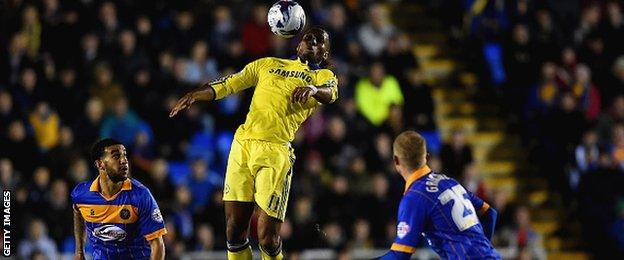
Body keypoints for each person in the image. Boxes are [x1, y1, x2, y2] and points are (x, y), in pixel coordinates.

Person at [169, 27, 338, 260]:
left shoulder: (322, 77)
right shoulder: (267, 63)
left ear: (324, 54)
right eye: (308, 37)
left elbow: (330, 94)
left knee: (267, 238)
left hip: (275, 151)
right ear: (297, 44)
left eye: (319, 41)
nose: (311, 40)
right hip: (243, 146)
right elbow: (231, 83)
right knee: (234, 231)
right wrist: (197, 94)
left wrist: (313, 89)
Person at [378, 131, 500, 259]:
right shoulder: (449, 182)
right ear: (426, 157)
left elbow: (399, 256)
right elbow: (489, 212)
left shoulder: (414, 197)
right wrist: (481, 250)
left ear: (396, 161)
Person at [72, 138, 166, 259]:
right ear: (100, 164)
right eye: (116, 156)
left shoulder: (140, 195)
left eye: (125, 155)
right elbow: (77, 211)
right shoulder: (82, 194)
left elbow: (157, 244)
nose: (124, 160)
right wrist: (79, 251)